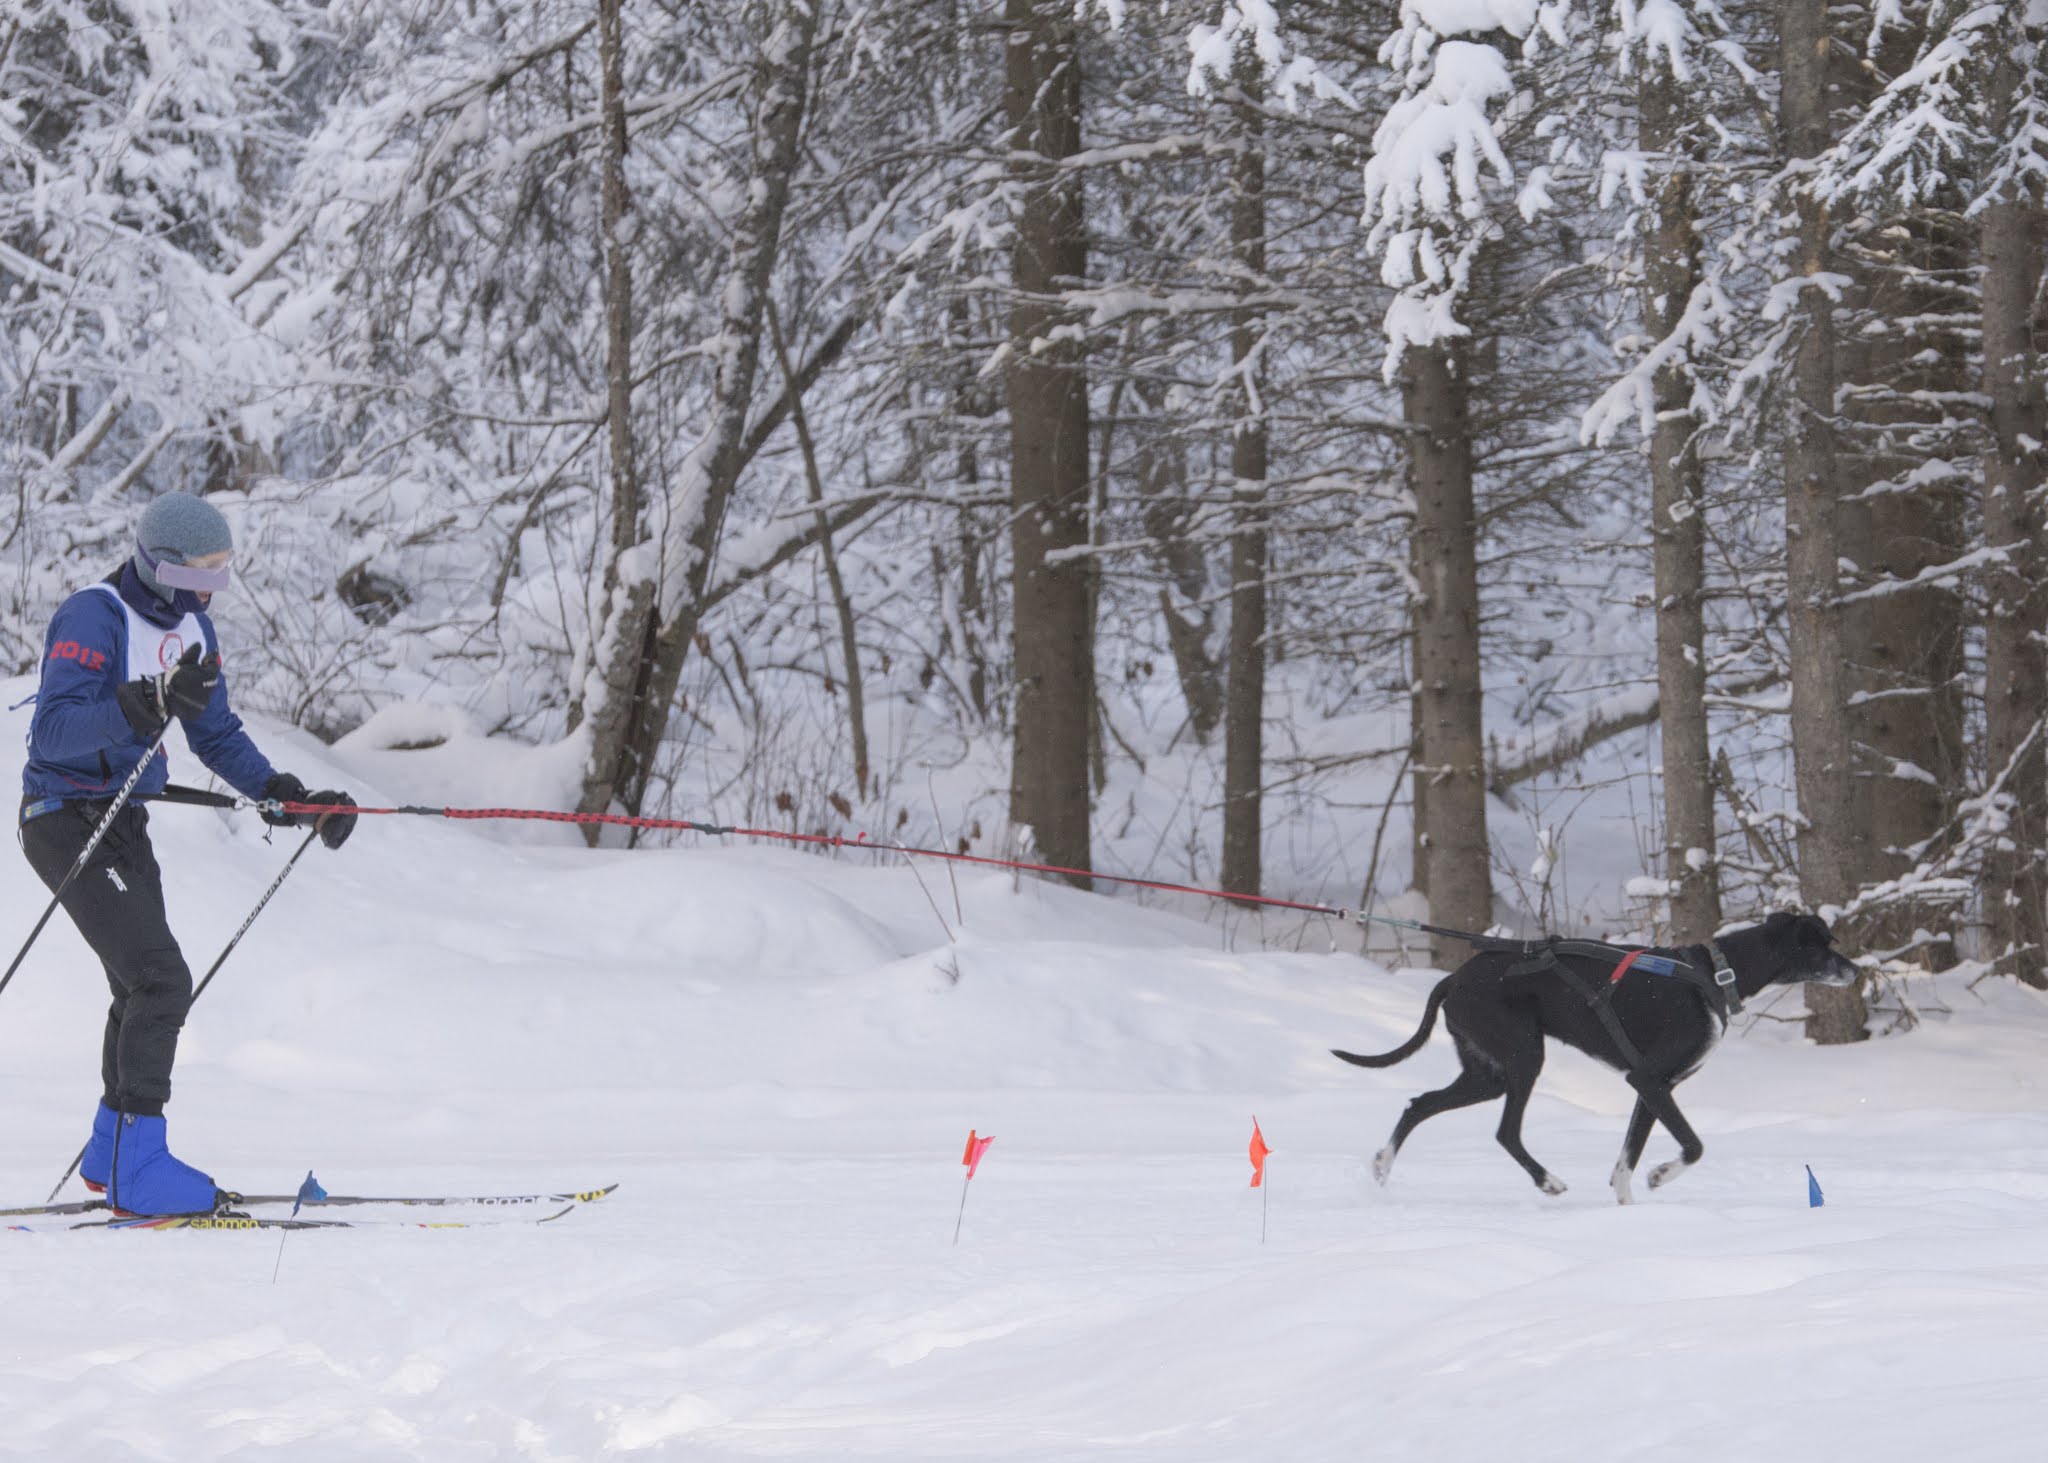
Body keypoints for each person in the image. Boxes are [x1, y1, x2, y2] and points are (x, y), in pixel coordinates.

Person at [17, 493, 358, 1216]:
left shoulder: (194, 629)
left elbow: (216, 734)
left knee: (136, 984)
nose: (211, 591)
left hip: (123, 820)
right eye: (203, 575)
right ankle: (141, 1167)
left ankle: (111, 1152)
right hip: (62, 816)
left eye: (221, 575)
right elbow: (52, 734)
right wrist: (136, 706)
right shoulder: (94, 615)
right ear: (161, 565)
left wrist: (285, 794)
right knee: (162, 979)